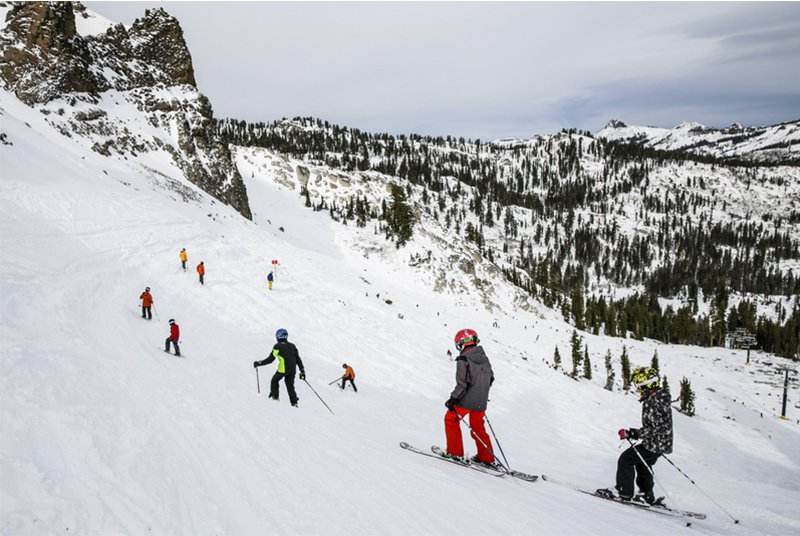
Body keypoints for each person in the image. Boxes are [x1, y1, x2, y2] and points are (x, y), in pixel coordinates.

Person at [601, 366, 673, 504]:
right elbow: (655, 427)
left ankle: (623, 492)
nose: (637, 388)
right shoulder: (658, 398)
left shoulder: (653, 401)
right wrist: (635, 433)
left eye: (639, 384)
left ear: (646, 383)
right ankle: (645, 494)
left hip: (655, 442)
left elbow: (654, 428)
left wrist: (633, 433)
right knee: (643, 463)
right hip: (661, 442)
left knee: (626, 459)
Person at [444, 328, 495, 466]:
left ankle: (455, 453)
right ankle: (487, 458)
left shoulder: (463, 359)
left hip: (465, 401)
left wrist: (453, 399)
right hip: (481, 402)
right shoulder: (484, 358)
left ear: (461, 344)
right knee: (478, 427)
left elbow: (462, 384)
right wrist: (482, 393)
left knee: (451, 419)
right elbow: (490, 378)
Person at [253, 328, 305, 407]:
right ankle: (294, 403)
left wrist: (259, 363)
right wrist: (302, 371)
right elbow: (298, 359)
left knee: (274, 380)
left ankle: (275, 398)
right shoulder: (292, 346)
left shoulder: (277, 347)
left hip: (283, 370)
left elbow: (270, 359)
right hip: (292, 370)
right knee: (290, 385)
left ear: (278, 337)